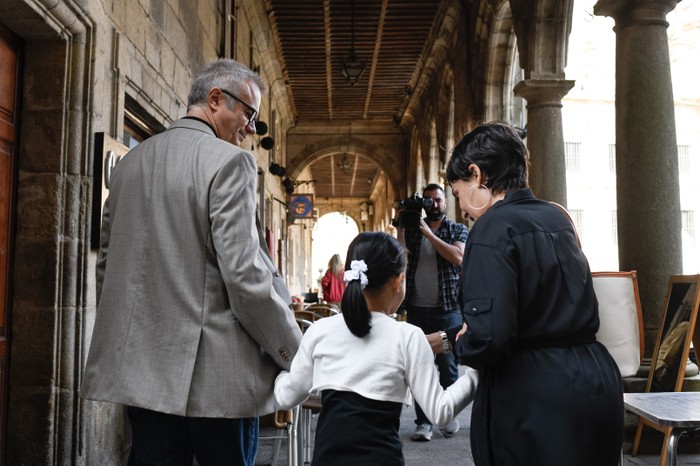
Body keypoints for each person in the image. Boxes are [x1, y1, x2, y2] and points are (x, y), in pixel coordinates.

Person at [80, 59, 303, 466]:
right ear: (216, 99)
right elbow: (246, 278)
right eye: (249, 113)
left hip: (145, 377)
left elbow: (108, 268)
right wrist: (293, 353)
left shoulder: (130, 164)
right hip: (218, 384)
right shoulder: (229, 163)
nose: (252, 128)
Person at [438, 122, 624, 465]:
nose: (461, 209)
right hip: (595, 384)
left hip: (535, 399)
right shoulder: (558, 217)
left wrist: (459, 343)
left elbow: (489, 337)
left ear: (477, 175)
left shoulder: (491, 228)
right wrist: (443, 339)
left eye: (457, 192)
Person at [273, 232, 478, 466]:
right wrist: (477, 373)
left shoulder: (320, 331)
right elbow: (441, 412)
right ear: (398, 281)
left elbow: (287, 395)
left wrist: (277, 375)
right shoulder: (408, 336)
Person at [395, 183, 468, 441]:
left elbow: (458, 257)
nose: (433, 205)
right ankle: (423, 422)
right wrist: (402, 227)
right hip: (417, 309)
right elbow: (400, 256)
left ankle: (447, 415)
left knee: (448, 367)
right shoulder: (414, 229)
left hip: (447, 310)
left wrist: (428, 234)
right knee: (419, 366)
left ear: (445, 202)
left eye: (437, 200)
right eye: (428, 201)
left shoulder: (457, 229)